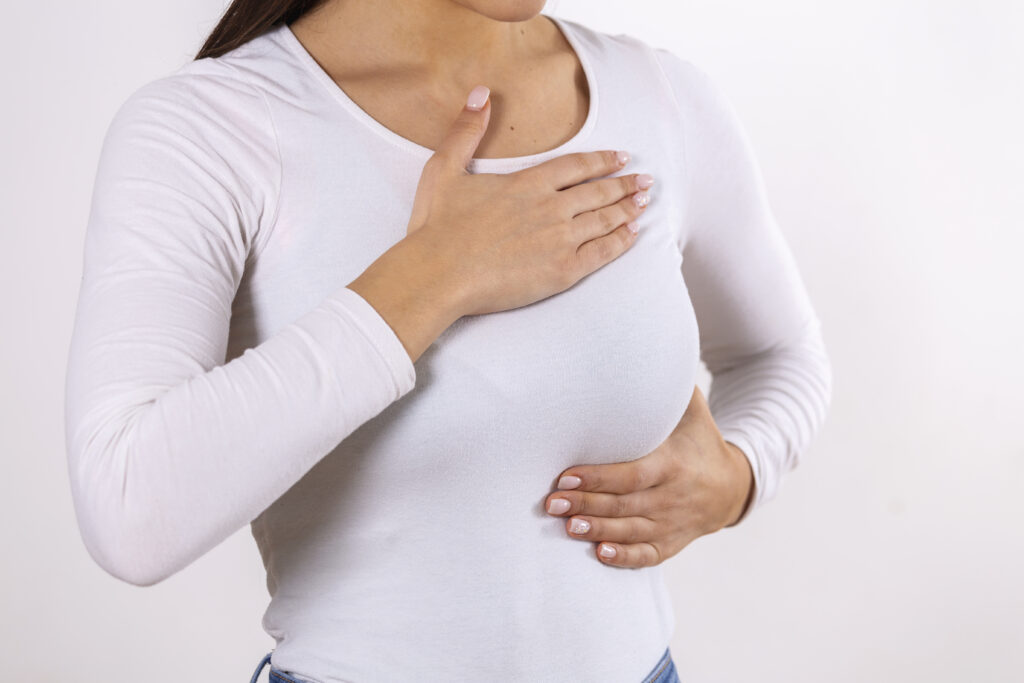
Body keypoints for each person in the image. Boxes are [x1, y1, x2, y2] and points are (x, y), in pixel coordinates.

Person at [64, 0, 833, 681]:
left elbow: (780, 355)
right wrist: (432, 276)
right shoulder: (211, 127)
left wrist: (736, 476)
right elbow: (131, 511)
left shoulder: (660, 96)